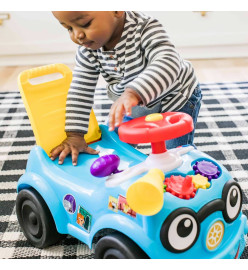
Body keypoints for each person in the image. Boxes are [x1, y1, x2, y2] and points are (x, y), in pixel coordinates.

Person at [50, 11, 202, 166]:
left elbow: (168, 62)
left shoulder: (145, 28)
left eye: (85, 24)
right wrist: (75, 135)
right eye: (69, 28)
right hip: (131, 106)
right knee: (111, 145)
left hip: (175, 97)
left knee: (176, 155)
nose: (78, 35)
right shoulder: (88, 50)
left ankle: (189, 173)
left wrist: (133, 92)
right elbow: (79, 91)